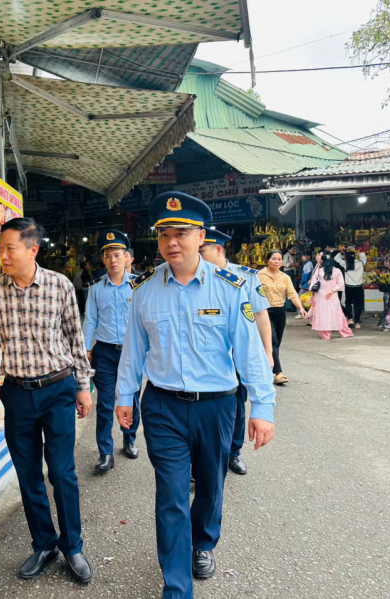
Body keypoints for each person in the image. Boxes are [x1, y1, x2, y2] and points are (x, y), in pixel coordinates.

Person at [115, 192, 275, 598]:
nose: (172, 242)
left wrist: (263, 406)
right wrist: (124, 395)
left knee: (209, 486)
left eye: (182, 233)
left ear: (200, 236)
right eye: (165, 234)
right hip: (163, 405)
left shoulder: (230, 287)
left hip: (218, 405)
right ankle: (176, 587)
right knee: (170, 493)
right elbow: (134, 348)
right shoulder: (145, 289)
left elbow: (249, 351)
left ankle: (202, 542)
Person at [0, 217, 93, 584]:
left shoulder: (59, 286)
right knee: (28, 475)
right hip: (16, 393)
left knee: (61, 471)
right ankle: (44, 543)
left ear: (32, 249)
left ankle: (72, 546)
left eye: (9, 248)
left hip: (57, 390)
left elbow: (76, 338)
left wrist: (84, 385)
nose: (2, 255)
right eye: (0, 248)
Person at [200, 228, 273, 476]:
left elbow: (261, 316)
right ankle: (198, 460)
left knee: (238, 406)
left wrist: (268, 353)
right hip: (210, 356)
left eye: (202, 250)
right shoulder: (195, 277)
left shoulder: (246, 277)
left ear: (218, 250)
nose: (196, 256)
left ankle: (233, 452)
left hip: (240, 354)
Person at [82, 229, 139, 473]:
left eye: (117, 255)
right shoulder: (96, 288)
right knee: (104, 404)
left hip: (131, 351)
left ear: (127, 258)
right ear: (103, 260)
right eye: (108, 256)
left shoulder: (139, 285)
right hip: (104, 352)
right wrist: (85, 348)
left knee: (132, 399)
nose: (113, 260)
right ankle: (105, 452)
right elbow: (90, 321)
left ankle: (130, 438)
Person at [259, 250, 307, 385]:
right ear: (267, 260)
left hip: (280, 311)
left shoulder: (285, 277)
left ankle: (267, 367)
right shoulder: (259, 275)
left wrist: (301, 308)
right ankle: (278, 373)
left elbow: (292, 294)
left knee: (276, 343)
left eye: (279, 259)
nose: (277, 261)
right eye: (273, 259)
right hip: (264, 312)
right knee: (272, 341)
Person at [309, 253, 353, 340]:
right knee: (338, 315)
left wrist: (312, 296)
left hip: (320, 296)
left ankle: (326, 335)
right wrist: (333, 291)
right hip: (332, 296)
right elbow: (341, 284)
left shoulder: (319, 271)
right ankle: (345, 332)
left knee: (322, 315)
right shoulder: (337, 271)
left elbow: (313, 285)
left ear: (323, 261)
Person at [337, 246, 366, 328]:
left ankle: (350, 318)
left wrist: (341, 253)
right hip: (358, 287)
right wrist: (357, 253)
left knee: (348, 303)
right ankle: (357, 321)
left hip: (348, 287)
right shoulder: (360, 263)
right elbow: (363, 255)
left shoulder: (345, 264)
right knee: (358, 304)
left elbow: (336, 258)